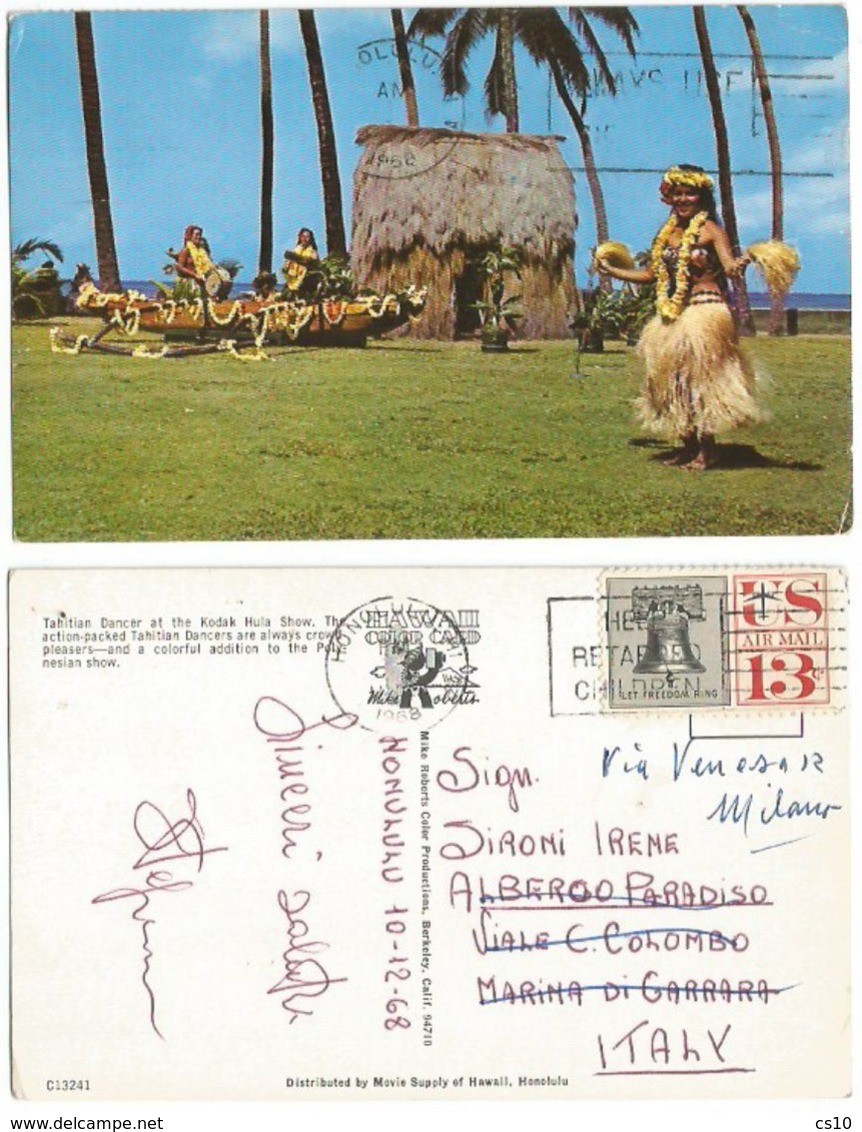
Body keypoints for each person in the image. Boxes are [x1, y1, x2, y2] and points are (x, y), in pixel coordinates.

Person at [595, 164, 759, 470]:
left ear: (701, 198)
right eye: (678, 194)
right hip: (675, 312)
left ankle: (708, 451)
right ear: (669, 197)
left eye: (690, 194)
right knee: (672, 381)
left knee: (702, 380)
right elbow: (649, 273)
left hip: (706, 311)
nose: (683, 200)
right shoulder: (667, 232)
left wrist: (748, 259)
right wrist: (612, 270)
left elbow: (729, 268)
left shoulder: (711, 230)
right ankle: (688, 446)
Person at [281, 228, 319, 297]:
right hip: (294, 276)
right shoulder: (296, 249)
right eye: (303, 236)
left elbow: (312, 263)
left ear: (310, 238)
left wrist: (298, 259)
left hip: (306, 277)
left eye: (307, 237)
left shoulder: (313, 251)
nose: (304, 239)